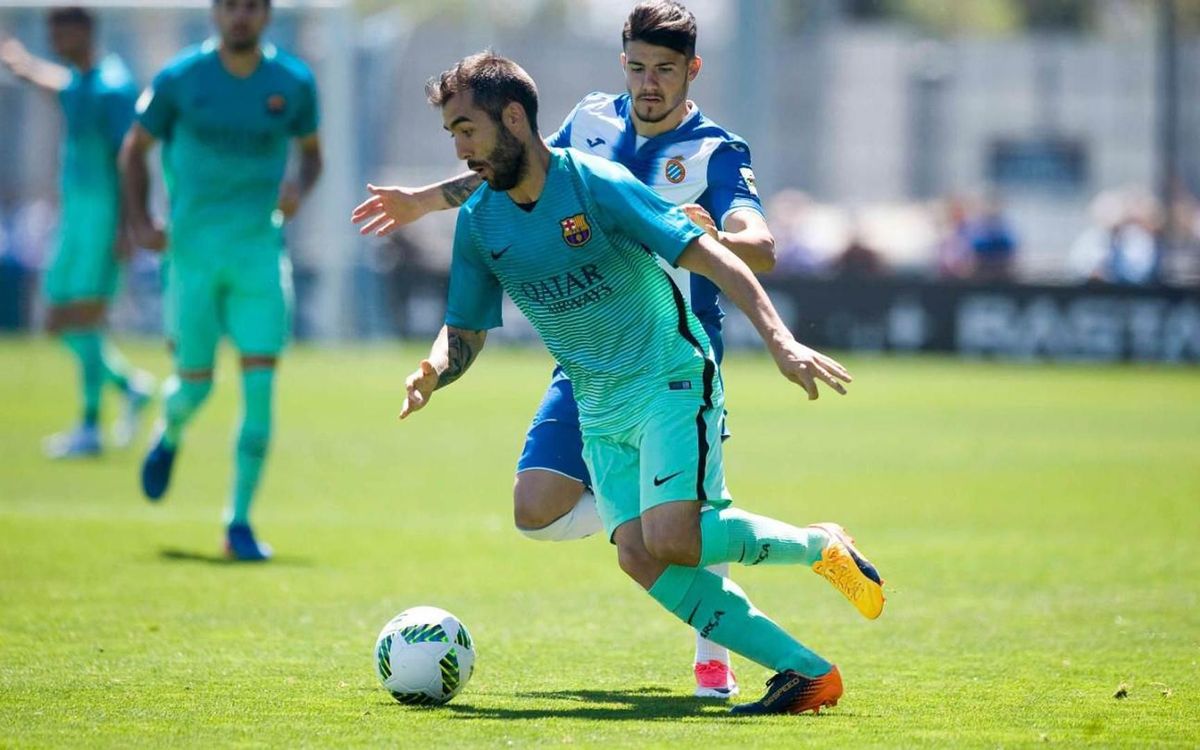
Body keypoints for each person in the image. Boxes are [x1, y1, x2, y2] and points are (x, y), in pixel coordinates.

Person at [400, 51, 885, 716]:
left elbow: (710, 253)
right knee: (639, 553)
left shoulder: (594, 184)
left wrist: (780, 339)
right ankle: (808, 673)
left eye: (467, 130)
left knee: (672, 539)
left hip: (668, 376)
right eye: (452, 134)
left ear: (513, 118)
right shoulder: (481, 221)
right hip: (596, 403)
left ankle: (817, 548)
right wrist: (432, 370)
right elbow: (466, 329)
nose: (460, 149)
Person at [352, 0, 777, 699]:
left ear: (691, 71)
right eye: (638, 67)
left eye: (665, 71)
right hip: (585, 354)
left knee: (683, 524)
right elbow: (512, 168)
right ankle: (646, 520)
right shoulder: (590, 121)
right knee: (537, 509)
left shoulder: (715, 153)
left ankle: (714, 655)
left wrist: (710, 238)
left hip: (673, 350)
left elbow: (759, 246)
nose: (649, 83)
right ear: (623, 63)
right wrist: (425, 202)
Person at [120, 0, 322, 560]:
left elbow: (312, 155)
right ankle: (171, 428)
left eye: (252, 7)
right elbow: (134, 148)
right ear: (215, 13)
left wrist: (298, 191)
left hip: (260, 253)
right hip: (191, 258)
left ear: (266, 15)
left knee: (260, 388)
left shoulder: (293, 82)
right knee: (195, 386)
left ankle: (239, 522)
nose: (240, 16)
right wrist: (139, 220)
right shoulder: (181, 78)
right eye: (231, 6)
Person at [1, 8, 154, 458]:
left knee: (84, 317)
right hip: (74, 217)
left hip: (102, 218)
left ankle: (90, 425)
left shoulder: (113, 87)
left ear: (83, 32)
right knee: (56, 319)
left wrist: (128, 225)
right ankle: (128, 386)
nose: (55, 40)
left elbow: (130, 158)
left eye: (60, 32)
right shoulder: (82, 81)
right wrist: (24, 65)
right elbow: (59, 86)